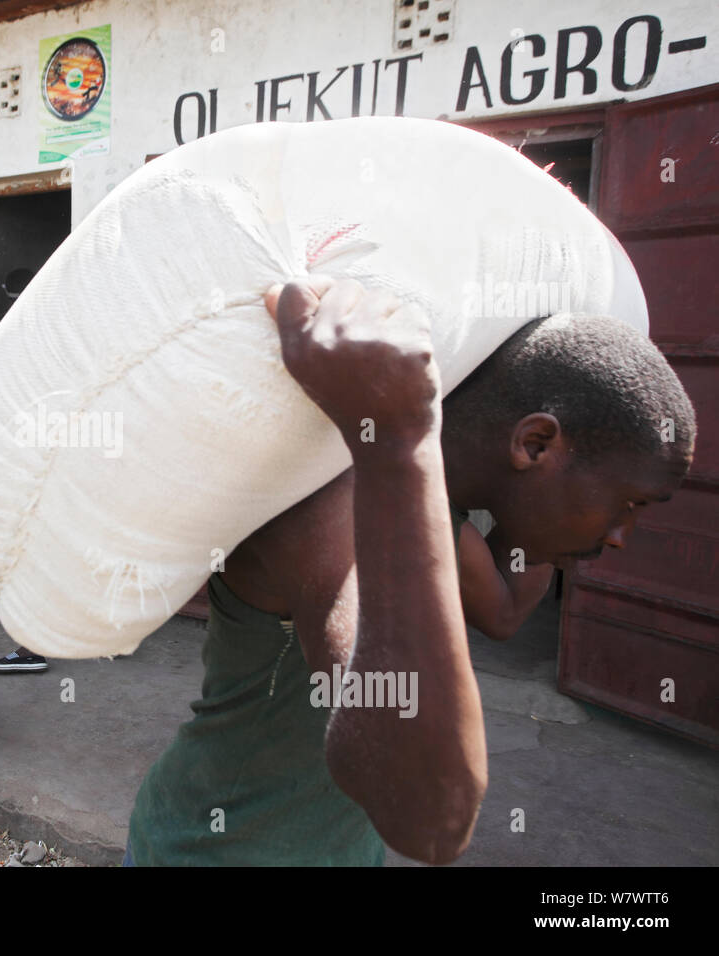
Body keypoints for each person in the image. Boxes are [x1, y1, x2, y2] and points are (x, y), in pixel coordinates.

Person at [123, 280, 697, 867]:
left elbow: (500, 612)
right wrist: (401, 437)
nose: (623, 536)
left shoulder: (426, 505)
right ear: (535, 443)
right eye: (630, 503)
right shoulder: (339, 503)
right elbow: (430, 818)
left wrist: (555, 530)